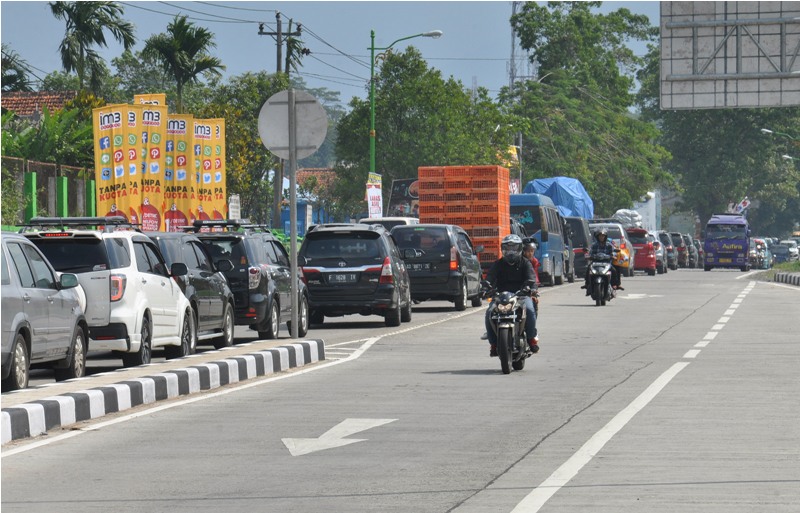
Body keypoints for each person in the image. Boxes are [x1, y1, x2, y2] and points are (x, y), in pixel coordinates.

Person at [484, 234, 539, 356]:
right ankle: (493, 344)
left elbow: (531, 278)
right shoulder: (498, 264)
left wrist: (530, 288)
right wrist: (486, 287)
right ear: (503, 249)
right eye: (508, 248)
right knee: (489, 313)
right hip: (501, 297)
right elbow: (490, 278)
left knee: (530, 310)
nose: (511, 252)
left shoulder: (525, 263)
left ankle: (531, 339)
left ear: (520, 249)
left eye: (514, 248)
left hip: (521, 295)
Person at [582, 228, 623, 295]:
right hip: (595, 263)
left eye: (603, 236)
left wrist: (613, 255)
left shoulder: (609, 245)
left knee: (614, 270)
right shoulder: (594, 245)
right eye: (600, 236)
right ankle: (587, 284)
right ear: (597, 237)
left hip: (606, 263)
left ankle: (615, 285)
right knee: (588, 268)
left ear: (605, 237)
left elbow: (614, 252)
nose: (601, 237)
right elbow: (590, 252)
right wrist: (588, 256)